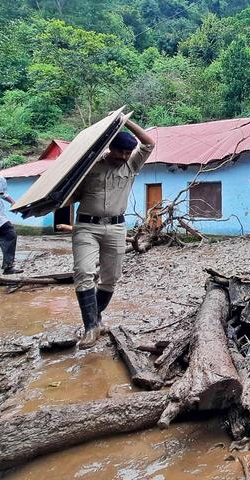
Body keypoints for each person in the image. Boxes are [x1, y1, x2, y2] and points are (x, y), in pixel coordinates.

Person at [70, 119, 155, 348]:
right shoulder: (90, 166)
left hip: (117, 228)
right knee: (84, 272)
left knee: (111, 278)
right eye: (120, 152)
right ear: (110, 149)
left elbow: (149, 144)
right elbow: (69, 191)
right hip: (87, 227)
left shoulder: (131, 166)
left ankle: (95, 320)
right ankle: (90, 328)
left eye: (128, 153)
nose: (124, 157)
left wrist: (127, 122)